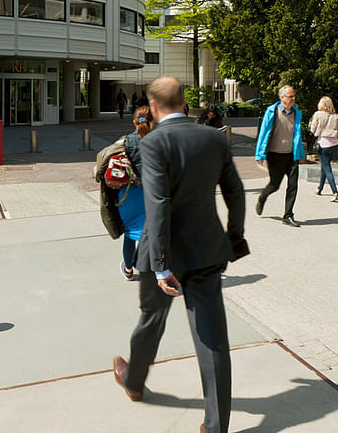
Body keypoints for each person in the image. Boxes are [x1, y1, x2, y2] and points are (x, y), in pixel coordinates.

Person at [113, 75, 247, 433]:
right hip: (206, 251)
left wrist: (159, 265)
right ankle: (216, 427)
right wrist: (234, 240)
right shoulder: (213, 138)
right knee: (213, 338)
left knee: (150, 322)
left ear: (153, 108)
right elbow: (235, 191)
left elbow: (158, 204)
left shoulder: (153, 142)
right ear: (184, 102)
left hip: (163, 256)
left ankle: (134, 383)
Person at [254, 85, 305, 227]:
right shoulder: (272, 112)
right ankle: (262, 197)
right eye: (290, 96)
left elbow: (297, 135)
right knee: (274, 185)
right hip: (275, 155)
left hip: (291, 155)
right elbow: (263, 133)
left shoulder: (297, 113)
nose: (293, 98)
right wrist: (260, 154)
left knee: (293, 185)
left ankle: (288, 215)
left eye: (294, 96)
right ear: (282, 98)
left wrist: (300, 153)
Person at [117, 105, 154, 281]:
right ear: (153, 122)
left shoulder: (125, 141)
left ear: (134, 122)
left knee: (131, 233)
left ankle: (129, 269)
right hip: (154, 194)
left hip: (130, 194)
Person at [309, 96, 338, 201]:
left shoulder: (318, 114)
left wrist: (312, 127)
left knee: (327, 168)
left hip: (323, 144)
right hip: (334, 144)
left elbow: (313, 130)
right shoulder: (337, 116)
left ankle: (335, 192)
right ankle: (320, 188)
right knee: (324, 165)